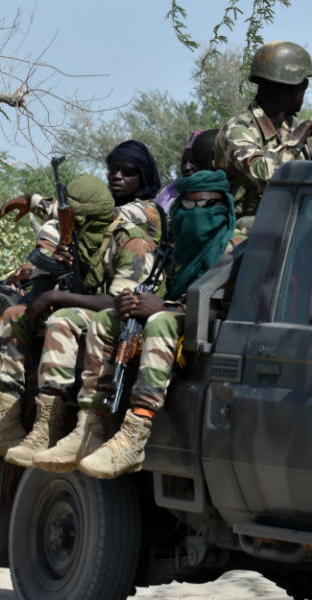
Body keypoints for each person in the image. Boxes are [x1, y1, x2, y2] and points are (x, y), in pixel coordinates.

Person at [0, 140, 162, 468]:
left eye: (128, 171)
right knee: (13, 314)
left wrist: (38, 203)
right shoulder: (92, 227)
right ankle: (3, 424)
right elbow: (76, 219)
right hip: (92, 299)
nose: (117, 176)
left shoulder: (136, 221)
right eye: (112, 170)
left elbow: (121, 296)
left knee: (62, 316)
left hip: (119, 308)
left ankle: (50, 426)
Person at [34, 169, 243, 477]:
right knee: (108, 319)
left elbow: (234, 304)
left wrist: (164, 307)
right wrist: (133, 302)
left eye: (206, 206)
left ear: (223, 207)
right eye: (186, 206)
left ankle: (135, 434)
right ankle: (90, 424)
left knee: (160, 321)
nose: (195, 214)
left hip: (215, 329)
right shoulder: (175, 247)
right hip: (172, 315)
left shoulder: (238, 248)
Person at [214, 40, 312, 227]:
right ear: (291, 87)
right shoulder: (236, 130)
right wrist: (298, 139)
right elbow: (266, 174)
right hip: (235, 234)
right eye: (304, 85)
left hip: (279, 228)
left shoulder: (290, 127)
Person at [153, 130, 204, 213]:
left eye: (192, 162)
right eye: (184, 161)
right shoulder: (170, 191)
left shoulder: (214, 195)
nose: (186, 167)